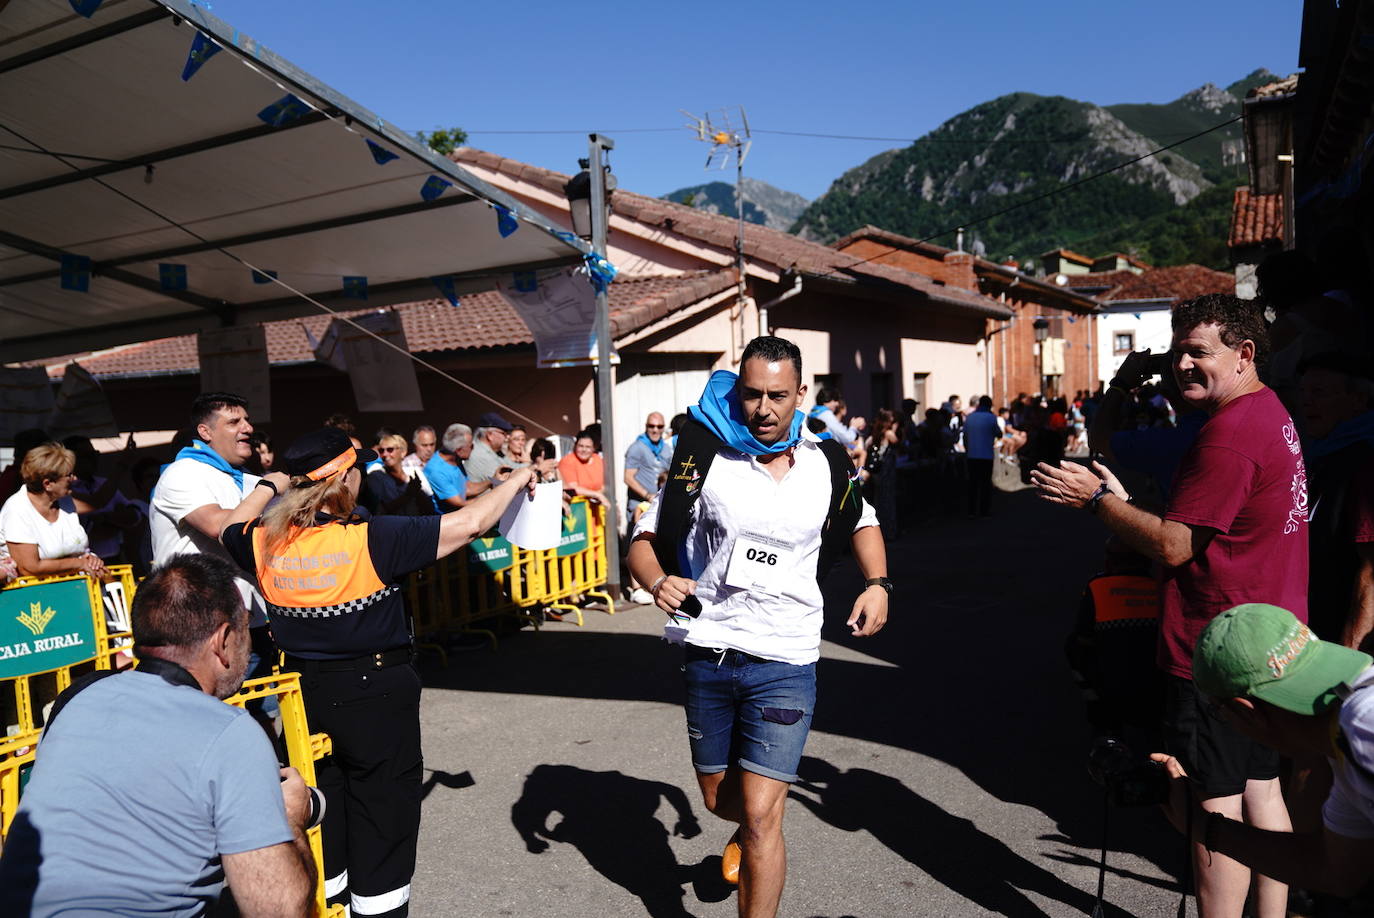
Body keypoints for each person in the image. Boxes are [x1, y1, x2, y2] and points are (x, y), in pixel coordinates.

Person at [1032, 294, 1306, 918]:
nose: (1183, 365)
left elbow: (1178, 546)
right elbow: (1208, 529)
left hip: (1219, 649)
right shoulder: (1268, 411)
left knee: (1213, 805)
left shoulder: (1228, 436)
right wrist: (1127, 505)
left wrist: (1098, 501)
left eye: (1199, 352)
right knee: (1261, 790)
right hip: (1269, 641)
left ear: (1244, 354)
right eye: (1178, 351)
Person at [219, 427, 537, 918]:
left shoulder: (260, 541)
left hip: (304, 693)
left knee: (326, 805)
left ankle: (331, 903)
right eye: (358, 471)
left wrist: (269, 484)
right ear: (342, 479)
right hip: (375, 692)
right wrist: (519, 479)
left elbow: (224, 527)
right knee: (383, 812)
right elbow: (470, 523)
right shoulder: (373, 538)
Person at [626, 336, 889, 918]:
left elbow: (861, 522)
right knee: (723, 799)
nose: (763, 408)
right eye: (751, 394)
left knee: (765, 812)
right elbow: (644, 539)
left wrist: (878, 584)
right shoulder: (704, 456)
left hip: (787, 655)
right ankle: (742, 829)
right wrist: (656, 581)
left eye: (776, 395)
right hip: (710, 646)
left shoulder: (826, 463)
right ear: (737, 392)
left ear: (801, 394)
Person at [0, 553, 316, 917]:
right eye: (246, 628)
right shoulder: (229, 732)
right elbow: (278, 910)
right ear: (223, 639)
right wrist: (290, 818)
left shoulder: (76, 699)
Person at [1154, 603, 1374, 900]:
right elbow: (1335, 871)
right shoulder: (1342, 738)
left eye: (1219, 712)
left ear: (1245, 713)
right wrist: (1206, 828)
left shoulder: (1363, 728)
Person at [150, 392, 274, 692]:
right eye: (234, 421)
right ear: (205, 432)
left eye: (247, 420)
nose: (247, 428)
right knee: (207, 722)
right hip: (197, 632)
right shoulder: (182, 474)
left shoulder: (247, 479)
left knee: (263, 720)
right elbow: (220, 526)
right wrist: (271, 488)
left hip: (249, 624)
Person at [1298, 352, 1374, 649]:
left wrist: (1348, 663)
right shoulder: (1321, 456)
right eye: (1302, 392)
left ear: (1358, 400)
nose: (1306, 401)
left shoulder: (1365, 461)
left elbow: (1372, 572)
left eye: (1319, 392)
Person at [0, 442, 105, 579]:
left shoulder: (66, 502)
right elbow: (29, 568)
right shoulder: (17, 510)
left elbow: (98, 503)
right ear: (48, 484)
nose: (75, 478)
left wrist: (91, 560)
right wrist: (78, 563)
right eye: (69, 475)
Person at [367, 433, 434, 517]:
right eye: (381, 451)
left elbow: (429, 505)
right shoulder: (376, 476)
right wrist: (409, 494)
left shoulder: (414, 472)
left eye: (390, 450)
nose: (385, 454)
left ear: (403, 452)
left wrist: (418, 492)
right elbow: (381, 510)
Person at [624, 412, 672, 509]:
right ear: (646, 427)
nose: (655, 430)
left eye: (659, 426)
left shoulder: (666, 448)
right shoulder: (637, 447)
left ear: (663, 428)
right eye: (651, 426)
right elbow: (628, 477)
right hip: (640, 505)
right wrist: (647, 495)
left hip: (659, 504)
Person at [962, 395, 999, 518]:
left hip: (972, 455)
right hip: (986, 455)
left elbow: (965, 437)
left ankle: (971, 511)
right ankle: (984, 510)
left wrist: (968, 450)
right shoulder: (991, 417)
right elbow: (998, 433)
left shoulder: (970, 417)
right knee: (985, 484)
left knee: (972, 483)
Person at [464, 412, 514, 496]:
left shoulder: (494, 451)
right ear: (490, 435)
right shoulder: (480, 455)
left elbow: (513, 466)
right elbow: (505, 480)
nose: (507, 437)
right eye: (503, 433)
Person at [425, 423, 473, 510]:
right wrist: (491, 499)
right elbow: (459, 503)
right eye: (471, 446)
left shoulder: (456, 460)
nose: (473, 448)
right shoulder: (436, 471)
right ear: (458, 450)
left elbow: (467, 488)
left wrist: (491, 481)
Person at [557, 430, 609, 508]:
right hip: (578, 509)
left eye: (588, 447)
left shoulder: (597, 459)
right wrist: (597, 494)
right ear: (575, 446)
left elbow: (605, 484)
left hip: (597, 507)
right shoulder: (568, 461)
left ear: (594, 448)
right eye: (581, 446)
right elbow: (572, 488)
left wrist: (601, 493)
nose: (584, 450)